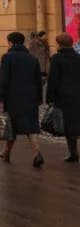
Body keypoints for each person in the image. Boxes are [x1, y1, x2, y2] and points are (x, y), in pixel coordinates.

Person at [0, 31, 44, 167]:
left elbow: (3, 80)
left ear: (10, 42)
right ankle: (36, 152)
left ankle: (6, 153)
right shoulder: (32, 59)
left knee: (11, 126)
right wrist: (39, 98)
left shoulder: (7, 57)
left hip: (13, 98)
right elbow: (38, 81)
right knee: (31, 126)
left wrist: (0, 97)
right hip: (30, 98)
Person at [47, 33, 80, 163]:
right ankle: (73, 154)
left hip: (64, 96)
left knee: (68, 125)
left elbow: (53, 79)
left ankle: (73, 153)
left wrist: (50, 97)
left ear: (59, 44)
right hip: (78, 95)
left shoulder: (56, 58)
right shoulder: (78, 57)